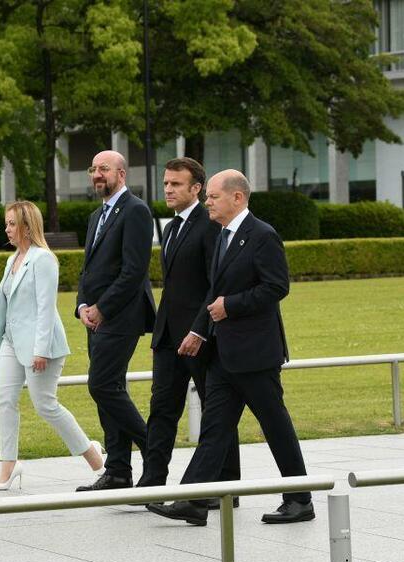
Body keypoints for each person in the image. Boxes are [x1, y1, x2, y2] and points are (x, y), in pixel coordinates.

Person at [147, 170, 314, 526]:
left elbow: (276, 287)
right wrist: (200, 331)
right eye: (207, 196)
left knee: (275, 425)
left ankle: (300, 498)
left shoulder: (262, 236)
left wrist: (231, 306)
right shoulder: (222, 236)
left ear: (237, 198)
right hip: (223, 354)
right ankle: (192, 500)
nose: (207, 201)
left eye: (213, 196)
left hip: (255, 354)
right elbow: (214, 291)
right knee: (215, 429)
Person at [138, 159, 240, 503]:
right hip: (168, 336)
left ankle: (226, 488)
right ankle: (152, 483)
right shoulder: (169, 228)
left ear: (196, 188)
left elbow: (215, 284)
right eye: (166, 183)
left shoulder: (210, 224)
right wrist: (161, 330)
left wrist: (200, 331)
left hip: (201, 337)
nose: (168, 189)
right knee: (162, 408)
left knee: (216, 411)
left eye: (176, 184)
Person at [0, 200, 105, 490]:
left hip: (42, 346)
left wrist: (39, 350)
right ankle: (9, 466)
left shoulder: (43, 259)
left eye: (12, 224)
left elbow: (45, 308)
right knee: (4, 400)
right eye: (7, 223)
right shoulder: (11, 259)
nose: (7, 229)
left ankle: (94, 456)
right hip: (10, 342)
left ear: (27, 226)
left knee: (45, 405)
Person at [75, 151, 156, 492]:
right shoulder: (97, 215)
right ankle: (118, 470)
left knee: (102, 385)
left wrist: (102, 308)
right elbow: (89, 269)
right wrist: (82, 305)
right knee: (109, 390)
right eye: (93, 169)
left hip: (122, 315)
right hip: (95, 318)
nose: (97, 174)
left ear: (121, 174)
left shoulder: (136, 210)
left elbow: (134, 270)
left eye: (104, 169)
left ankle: (155, 451)